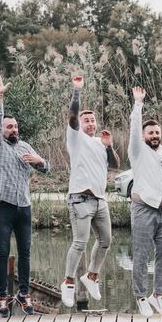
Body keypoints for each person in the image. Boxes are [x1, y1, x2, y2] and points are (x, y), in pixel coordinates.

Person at [0, 74, 49, 317]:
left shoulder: (25, 147)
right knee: (2, 251)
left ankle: (23, 293)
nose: (14, 129)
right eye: (9, 126)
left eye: (15, 126)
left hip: (24, 206)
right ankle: (2, 296)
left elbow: (46, 168)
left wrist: (40, 161)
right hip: (2, 205)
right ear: (2, 130)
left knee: (25, 253)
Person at [61, 75, 120, 307]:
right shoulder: (75, 138)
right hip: (79, 199)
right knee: (80, 242)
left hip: (99, 200)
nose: (90, 124)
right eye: (86, 120)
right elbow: (73, 115)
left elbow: (115, 165)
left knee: (105, 240)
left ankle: (92, 276)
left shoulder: (100, 143)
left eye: (93, 120)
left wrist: (109, 147)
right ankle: (68, 283)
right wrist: (77, 90)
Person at [128, 86, 162, 317]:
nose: (155, 136)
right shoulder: (138, 150)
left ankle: (158, 296)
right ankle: (140, 296)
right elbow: (134, 127)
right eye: (150, 133)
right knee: (141, 255)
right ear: (143, 136)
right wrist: (138, 103)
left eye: (157, 133)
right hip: (143, 209)